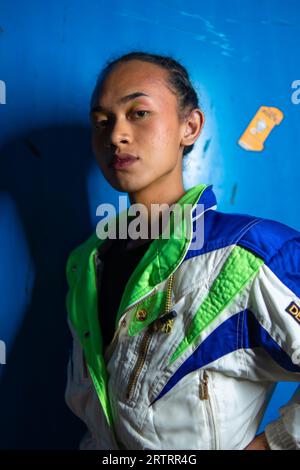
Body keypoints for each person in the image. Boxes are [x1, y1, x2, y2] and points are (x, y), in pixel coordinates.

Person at [64, 51, 300, 450]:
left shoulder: (246, 253)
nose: (116, 134)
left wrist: (272, 444)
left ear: (189, 127)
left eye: (138, 113)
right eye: (101, 121)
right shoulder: (87, 264)